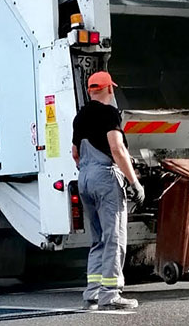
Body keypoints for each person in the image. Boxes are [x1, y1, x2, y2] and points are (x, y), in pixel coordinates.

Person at [71, 71, 144, 310]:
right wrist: (134, 183)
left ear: (91, 90)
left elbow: (75, 153)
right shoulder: (110, 113)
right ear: (109, 90)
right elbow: (117, 149)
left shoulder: (79, 117)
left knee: (98, 238)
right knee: (114, 237)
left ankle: (93, 291)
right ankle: (111, 293)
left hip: (85, 178)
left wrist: (88, 171)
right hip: (105, 176)